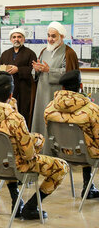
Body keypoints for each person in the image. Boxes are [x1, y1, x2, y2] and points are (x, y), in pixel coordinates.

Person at [0, 74, 68, 220]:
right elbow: (28, 155)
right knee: (61, 167)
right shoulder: (15, 118)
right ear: (11, 95)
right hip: (12, 167)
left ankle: (15, 197)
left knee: (10, 154)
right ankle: (31, 206)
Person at [44, 70, 99, 199]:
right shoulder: (92, 110)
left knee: (85, 141)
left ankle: (89, 186)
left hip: (62, 152)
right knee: (89, 140)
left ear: (62, 88)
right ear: (81, 86)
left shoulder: (50, 108)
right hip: (88, 154)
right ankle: (88, 186)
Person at [31, 21, 79, 153]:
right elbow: (39, 72)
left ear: (61, 37)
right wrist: (37, 69)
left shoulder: (69, 53)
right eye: (48, 35)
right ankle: (39, 151)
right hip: (42, 92)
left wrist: (49, 70)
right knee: (41, 121)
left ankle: (55, 154)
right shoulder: (44, 51)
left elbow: (69, 75)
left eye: (53, 36)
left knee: (54, 124)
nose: (50, 39)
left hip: (57, 95)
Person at [0, 27, 37, 125]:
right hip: (7, 91)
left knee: (22, 115)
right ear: (11, 39)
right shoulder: (6, 53)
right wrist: (5, 69)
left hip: (24, 91)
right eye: (14, 37)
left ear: (23, 39)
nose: (16, 39)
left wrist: (18, 70)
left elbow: (34, 71)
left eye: (19, 37)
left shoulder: (30, 53)